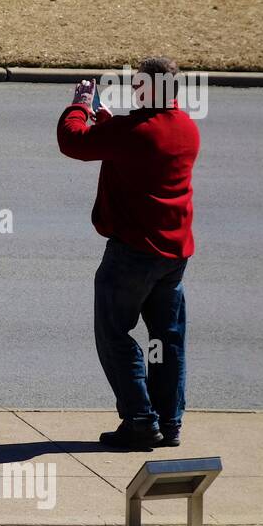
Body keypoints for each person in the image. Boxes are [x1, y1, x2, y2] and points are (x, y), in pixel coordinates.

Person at [56, 56, 201, 450]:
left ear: (152, 89)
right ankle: (169, 423)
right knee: (166, 339)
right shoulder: (186, 130)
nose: (133, 89)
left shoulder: (133, 132)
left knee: (114, 333)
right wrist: (108, 122)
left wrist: (81, 104)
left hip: (132, 256)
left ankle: (140, 420)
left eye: (138, 84)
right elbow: (137, 148)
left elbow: (72, 141)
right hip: (173, 258)